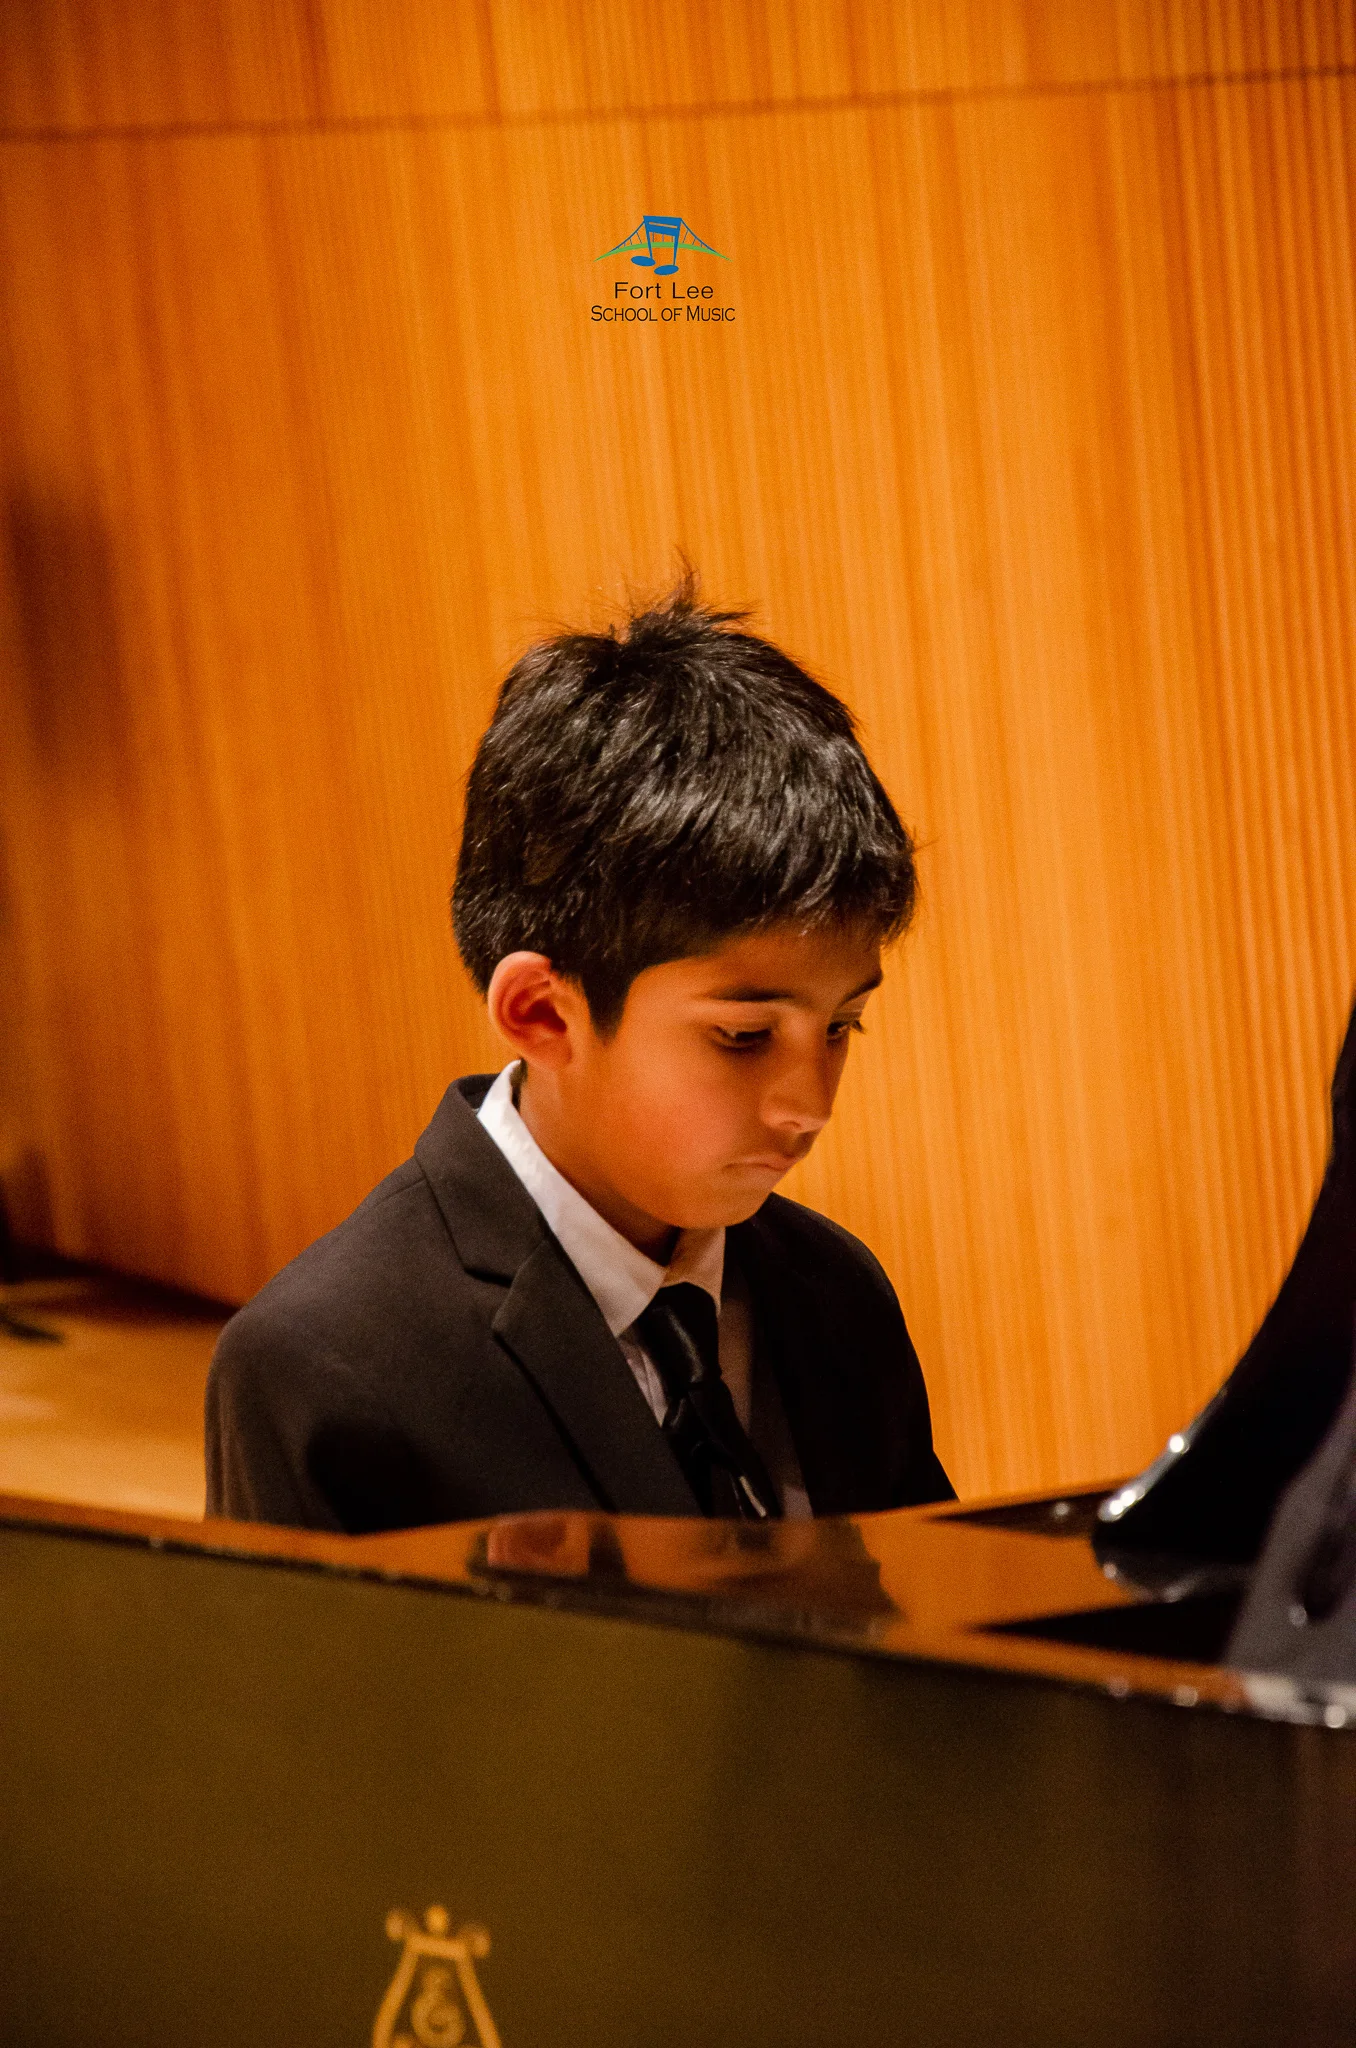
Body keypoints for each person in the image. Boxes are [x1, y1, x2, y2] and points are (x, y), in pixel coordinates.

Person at [205, 577, 953, 1532]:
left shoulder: (835, 1293)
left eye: (843, 1026)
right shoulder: (324, 1367)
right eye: (743, 1036)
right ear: (541, 1015)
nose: (808, 1105)